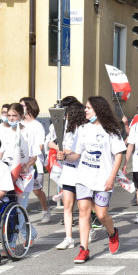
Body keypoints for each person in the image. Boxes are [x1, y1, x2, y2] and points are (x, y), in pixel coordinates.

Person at [64, 96, 125, 263]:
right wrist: (65, 156)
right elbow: (76, 154)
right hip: (83, 176)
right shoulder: (82, 129)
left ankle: (112, 233)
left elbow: (118, 154)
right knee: (83, 210)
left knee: (101, 214)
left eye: (88, 108)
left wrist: (112, 177)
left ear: (98, 110)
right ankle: (84, 249)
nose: (85, 110)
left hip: (104, 178)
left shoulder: (111, 130)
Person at [0, 103, 39, 241]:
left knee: (19, 210)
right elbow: (1, 153)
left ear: (21, 116)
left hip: (23, 177)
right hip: (8, 175)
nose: (11, 118)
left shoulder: (28, 132)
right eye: (9, 115)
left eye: (14, 115)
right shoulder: (5, 132)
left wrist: (26, 165)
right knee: (10, 210)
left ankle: (12, 242)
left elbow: (35, 156)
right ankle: (30, 234)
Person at [54, 101, 89, 250]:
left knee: (84, 208)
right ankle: (68, 238)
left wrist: (65, 154)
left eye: (68, 114)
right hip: (68, 172)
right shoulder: (66, 130)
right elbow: (61, 147)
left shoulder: (84, 130)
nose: (66, 117)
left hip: (82, 173)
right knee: (67, 206)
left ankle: (89, 230)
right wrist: (60, 152)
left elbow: (77, 154)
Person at [19, 97, 51, 223]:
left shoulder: (37, 126)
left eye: (23, 105)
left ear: (30, 107)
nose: (20, 108)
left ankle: (45, 210)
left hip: (35, 163)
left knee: (37, 190)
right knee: (20, 190)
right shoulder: (19, 123)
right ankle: (21, 213)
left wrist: (29, 155)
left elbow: (40, 145)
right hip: (21, 162)